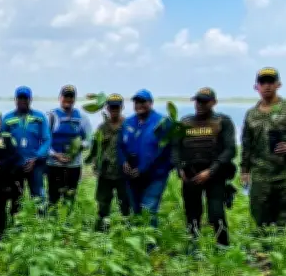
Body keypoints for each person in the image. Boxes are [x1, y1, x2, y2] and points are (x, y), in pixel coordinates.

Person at [241, 67, 286, 228]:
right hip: (260, 174)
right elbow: (247, 144)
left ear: (278, 84)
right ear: (256, 87)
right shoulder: (251, 114)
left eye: (271, 82)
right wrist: (245, 171)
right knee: (261, 215)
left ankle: (285, 247)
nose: (267, 85)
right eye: (263, 82)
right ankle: (264, 248)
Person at [172, 88, 237, 248]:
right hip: (191, 175)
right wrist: (179, 168)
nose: (200, 104)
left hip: (215, 174)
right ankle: (193, 246)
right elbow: (175, 148)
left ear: (213, 102)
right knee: (192, 213)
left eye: (204, 101)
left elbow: (230, 149)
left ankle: (223, 246)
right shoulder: (185, 122)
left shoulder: (223, 121)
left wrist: (211, 171)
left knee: (216, 213)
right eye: (197, 101)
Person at [117, 89, 172, 230]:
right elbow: (120, 146)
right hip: (132, 176)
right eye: (136, 102)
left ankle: (150, 245)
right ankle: (138, 241)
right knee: (136, 210)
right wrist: (123, 162)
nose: (139, 105)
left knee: (148, 209)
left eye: (143, 101)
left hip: (154, 176)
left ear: (151, 103)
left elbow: (170, 150)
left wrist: (145, 169)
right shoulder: (128, 123)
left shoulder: (162, 123)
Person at [2, 86, 51, 215]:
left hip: (35, 165)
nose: (23, 101)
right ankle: (15, 224)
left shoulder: (40, 117)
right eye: (20, 98)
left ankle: (42, 225)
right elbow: (1, 141)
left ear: (30, 99)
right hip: (15, 165)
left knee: (39, 196)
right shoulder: (7, 118)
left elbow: (46, 139)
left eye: (25, 98)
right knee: (15, 197)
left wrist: (36, 157)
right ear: (15, 99)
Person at [87, 94, 130, 231]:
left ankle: (126, 230)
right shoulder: (101, 128)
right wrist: (94, 162)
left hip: (123, 173)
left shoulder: (128, 126)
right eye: (111, 107)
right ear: (107, 108)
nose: (114, 109)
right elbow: (95, 148)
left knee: (125, 204)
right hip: (105, 173)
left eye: (117, 106)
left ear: (122, 107)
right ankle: (101, 230)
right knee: (103, 204)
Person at [47, 85, 92, 208]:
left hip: (74, 165)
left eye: (71, 97)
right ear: (60, 98)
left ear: (74, 99)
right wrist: (55, 155)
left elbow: (89, 139)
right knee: (53, 197)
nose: (68, 99)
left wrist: (77, 149)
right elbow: (44, 140)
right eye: (65, 96)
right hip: (54, 164)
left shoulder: (82, 118)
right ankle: (52, 221)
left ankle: (67, 220)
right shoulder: (51, 116)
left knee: (70, 196)